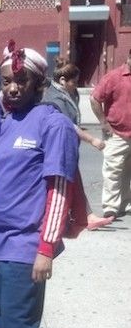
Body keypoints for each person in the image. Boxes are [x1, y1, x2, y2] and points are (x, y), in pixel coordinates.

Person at [0, 43, 79, 328]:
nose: (12, 88)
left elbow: (59, 190)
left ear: (39, 83)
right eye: (6, 80)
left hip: (25, 249)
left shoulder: (53, 124)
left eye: (21, 81)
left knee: (19, 327)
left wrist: (46, 249)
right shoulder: (7, 122)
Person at [42, 59, 113, 231]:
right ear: (62, 81)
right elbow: (69, 125)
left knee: (76, 182)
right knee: (63, 185)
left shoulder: (69, 94)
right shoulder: (53, 99)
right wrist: (92, 139)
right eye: (74, 82)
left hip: (69, 148)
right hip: (58, 148)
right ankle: (77, 217)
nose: (76, 85)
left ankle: (86, 216)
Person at [90, 49, 131, 220]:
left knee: (127, 172)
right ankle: (111, 208)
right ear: (129, 57)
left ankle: (124, 204)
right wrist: (103, 122)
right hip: (117, 134)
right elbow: (94, 98)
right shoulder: (113, 77)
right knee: (113, 171)